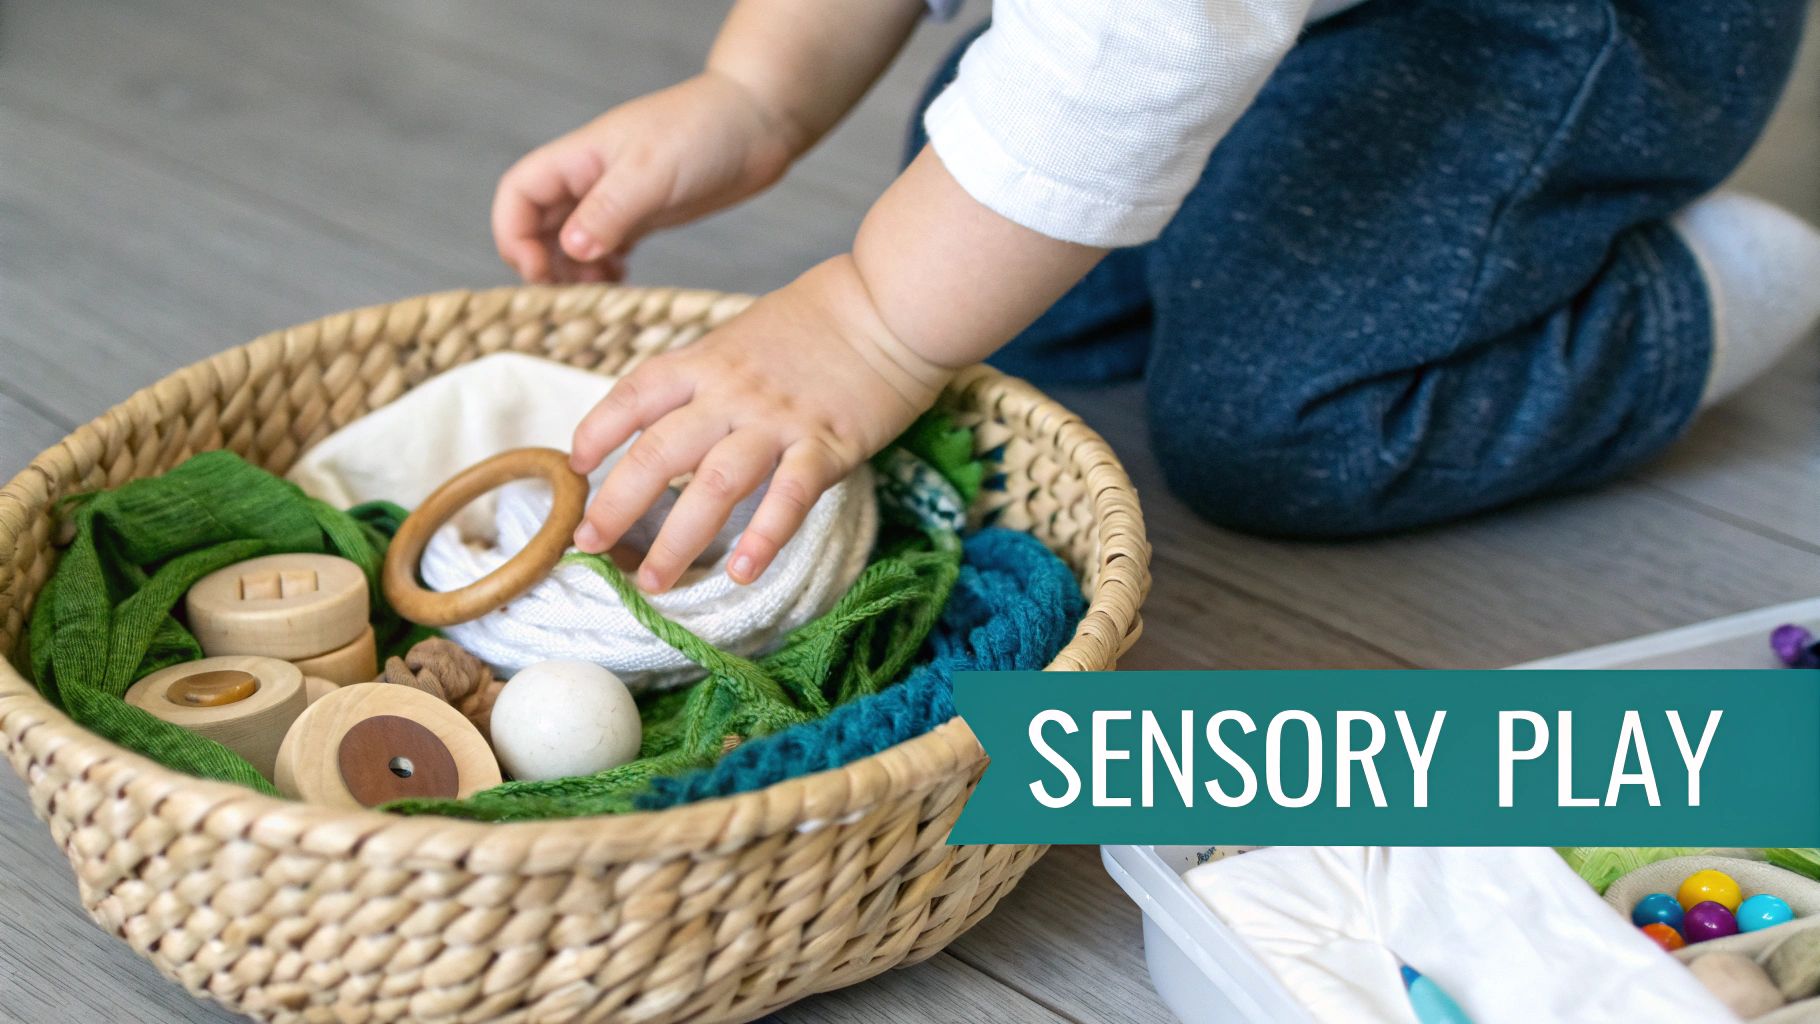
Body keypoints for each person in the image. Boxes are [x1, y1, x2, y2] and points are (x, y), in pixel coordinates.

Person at [492, 0, 1820, 594]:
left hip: (1565, 23)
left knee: (1284, 421)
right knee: (1016, 273)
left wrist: (868, 323)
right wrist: (758, 87)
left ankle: (1690, 296)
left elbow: (1144, 36)